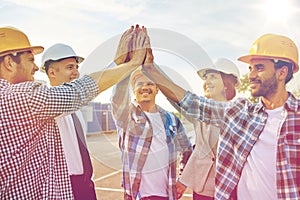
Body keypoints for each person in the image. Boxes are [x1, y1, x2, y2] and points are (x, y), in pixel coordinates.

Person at [142, 33, 300, 200]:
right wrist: (151, 69)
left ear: (282, 72)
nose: (252, 75)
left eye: (259, 68)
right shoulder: (241, 113)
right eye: (250, 68)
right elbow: (190, 102)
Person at [0, 25, 148, 199]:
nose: (34, 67)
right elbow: (80, 90)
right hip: (63, 186)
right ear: (10, 62)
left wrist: (119, 64)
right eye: (30, 60)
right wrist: (131, 63)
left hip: (83, 184)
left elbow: (78, 91)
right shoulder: (21, 99)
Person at [110, 32, 193, 200]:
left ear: (157, 89)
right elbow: (118, 98)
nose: (145, 87)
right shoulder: (126, 116)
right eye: (139, 84)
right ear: (134, 90)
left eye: (150, 83)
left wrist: (183, 180)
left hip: (166, 194)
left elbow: (187, 151)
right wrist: (127, 64)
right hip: (136, 195)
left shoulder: (171, 120)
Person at [175, 58, 240, 199]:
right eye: (206, 78)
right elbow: (199, 151)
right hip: (202, 190)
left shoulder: (238, 113)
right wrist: (150, 69)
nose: (207, 82)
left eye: (213, 77)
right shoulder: (199, 113)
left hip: (229, 189)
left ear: (226, 85)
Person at [40, 43, 96, 199]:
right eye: (70, 67)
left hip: (86, 184)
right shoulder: (46, 104)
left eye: (76, 67)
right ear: (52, 72)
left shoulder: (77, 109)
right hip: (66, 186)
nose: (76, 73)